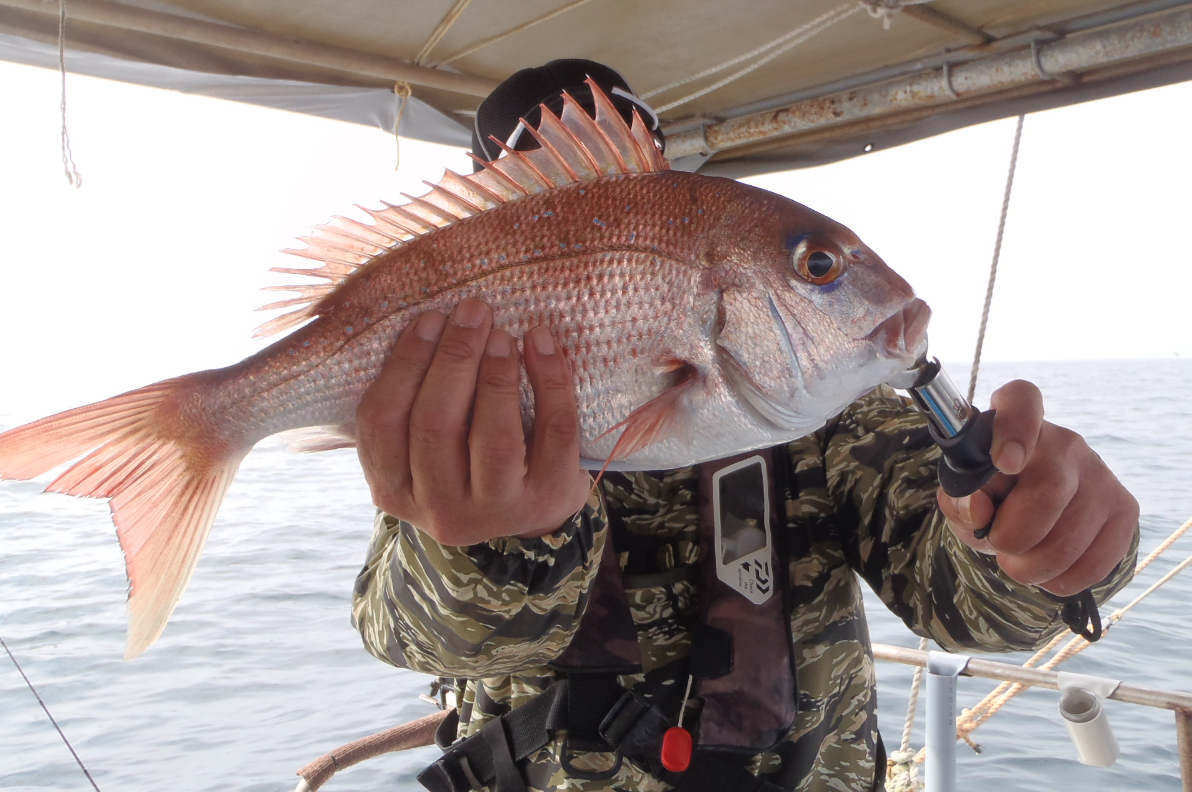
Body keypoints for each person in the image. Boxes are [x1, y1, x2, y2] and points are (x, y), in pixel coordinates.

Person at [350, 60, 1140, 792]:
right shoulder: (442, 442)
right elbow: (408, 635)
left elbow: (963, 602)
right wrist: (487, 539)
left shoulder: (831, 412)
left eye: (818, 269)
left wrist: (1048, 535)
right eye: (821, 269)